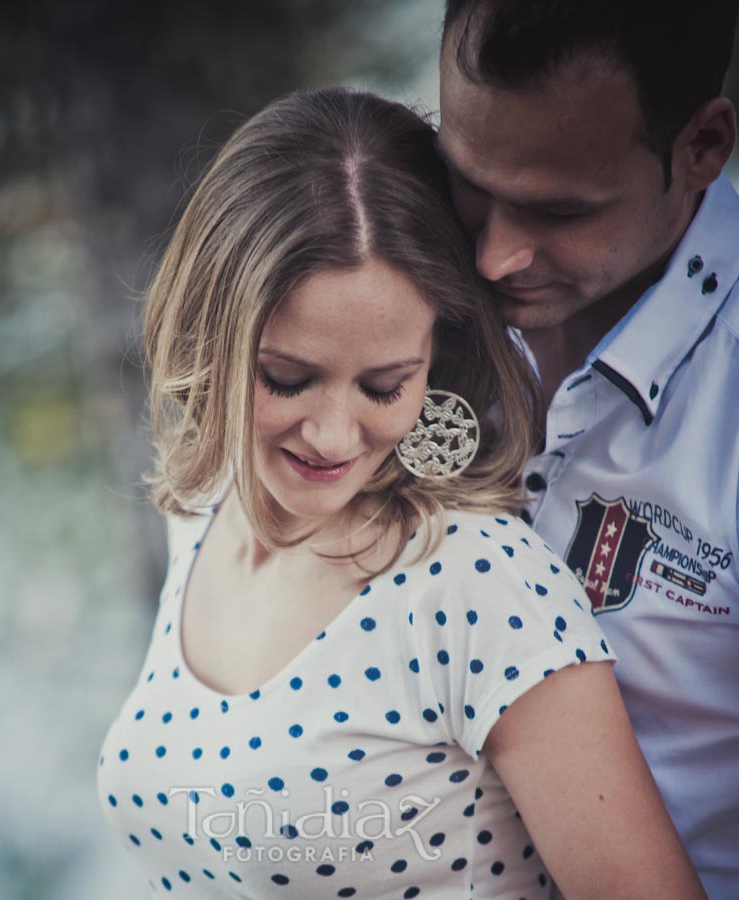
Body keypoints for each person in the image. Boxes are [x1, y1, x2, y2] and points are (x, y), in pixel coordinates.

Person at [97, 88, 704, 899]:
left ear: (435, 357)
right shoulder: (202, 509)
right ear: (212, 330)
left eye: (383, 388)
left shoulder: (481, 582)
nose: (333, 437)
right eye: (286, 378)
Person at [437, 2, 739, 897]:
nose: (492, 257)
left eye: (557, 210)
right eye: (468, 182)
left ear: (702, 146)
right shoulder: (397, 269)